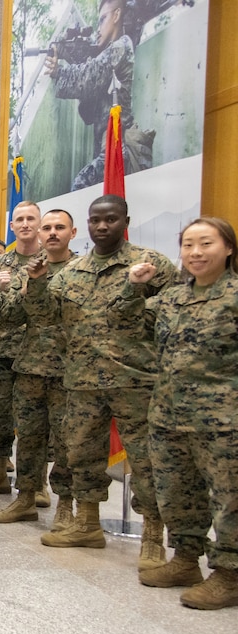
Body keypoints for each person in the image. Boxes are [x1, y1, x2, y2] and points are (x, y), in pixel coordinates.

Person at [26, 195, 176, 569]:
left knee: (146, 459)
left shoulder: (151, 264)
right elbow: (45, 317)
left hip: (134, 380)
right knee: (81, 454)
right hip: (82, 380)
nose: (102, 226)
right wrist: (38, 283)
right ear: (89, 224)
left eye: (110, 219)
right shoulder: (71, 272)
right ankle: (88, 524)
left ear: (125, 221)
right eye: (96, 220)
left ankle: (153, 535)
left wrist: (139, 301)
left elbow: (175, 309)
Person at [140, 217, 238, 609]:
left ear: (228, 248)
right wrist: (135, 287)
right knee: (177, 492)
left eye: (206, 244)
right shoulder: (171, 299)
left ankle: (230, 574)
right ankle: (184, 559)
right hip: (169, 415)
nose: (196, 253)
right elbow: (129, 325)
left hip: (224, 420)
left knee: (230, 497)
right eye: (188, 245)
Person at [0, 210, 77, 526]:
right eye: (47, 228)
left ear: (72, 232)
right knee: (28, 438)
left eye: (59, 227)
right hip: (30, 366)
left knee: (66, 441)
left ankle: (65, 503)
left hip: (68, 369)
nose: (52, 233)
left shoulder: (82, 270)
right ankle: (25, 497)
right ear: (40, 234)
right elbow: (9, 316)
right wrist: (30, 288)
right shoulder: (31, 270)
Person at [46, 0, 152, 190]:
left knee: (81, 185)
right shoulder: (107, 54)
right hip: (107, 147)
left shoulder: (121, 45)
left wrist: (58, 72)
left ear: (117, 15)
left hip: (120, 146)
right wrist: (69, 52)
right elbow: (88, 113)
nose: (98, 29)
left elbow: (87, 77)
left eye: (103, 19)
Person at [0, 201, 43, 497]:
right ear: (12, 226)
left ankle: (37, 484)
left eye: (31, 219)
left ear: (39, 223)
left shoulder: (50, 261)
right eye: (20, 220)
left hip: (41, 355)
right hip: (1, 352)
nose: (25, 224)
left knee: (35, 423)